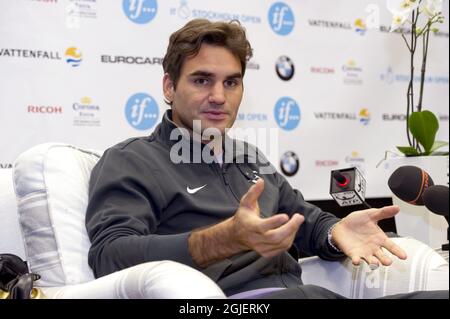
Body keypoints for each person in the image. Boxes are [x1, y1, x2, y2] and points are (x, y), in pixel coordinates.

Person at [85, 19, 448, 299]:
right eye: (201, 80)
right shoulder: (130, 160)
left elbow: (303, 220)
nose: (218, 96)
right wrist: (222, 240)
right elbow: (110, 256)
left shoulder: (248, 157)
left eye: (231, 82)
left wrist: (335, 232)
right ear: (169, 87)